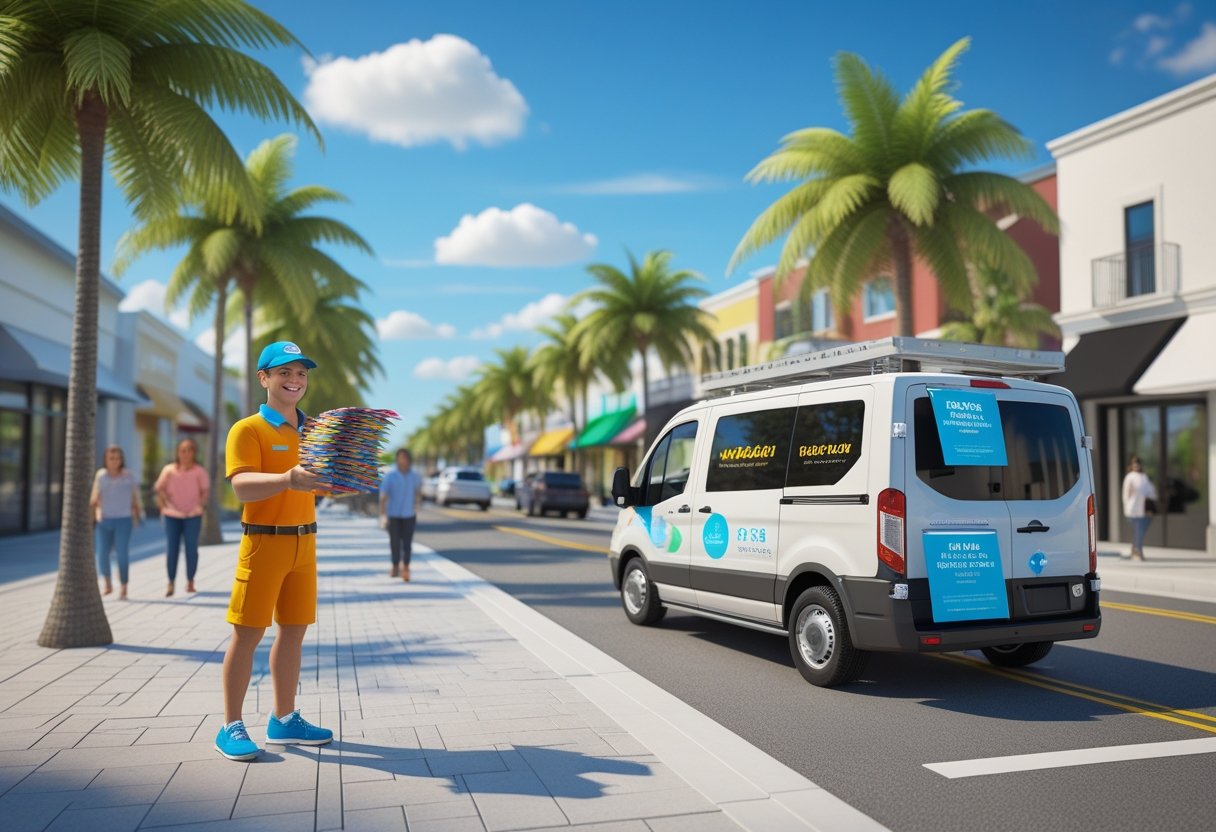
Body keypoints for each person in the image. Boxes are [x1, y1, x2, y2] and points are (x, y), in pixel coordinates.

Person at [215, 341, 332, 762]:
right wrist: (287, 478)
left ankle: (284, 720)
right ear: (264, 378)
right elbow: (241, 486)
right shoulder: (246, 429)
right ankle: (230, 725)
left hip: (305, 543)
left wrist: (337, 480)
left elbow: (316, 483)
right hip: (263, 542)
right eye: (284, 372)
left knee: (295, 631)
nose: (294, 380)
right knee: (247, 634)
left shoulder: (315, 431)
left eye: (301, 373)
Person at [155, 438, 211, 597]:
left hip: (193, 515)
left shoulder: (199, 471)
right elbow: (159, 489)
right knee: (172, 549)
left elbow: (205, 492)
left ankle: (190, 581)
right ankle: (171, 582)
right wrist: (163, 505)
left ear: (194, 453)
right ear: (178, 453)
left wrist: (200, 505)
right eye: (183, 450)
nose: (186, 454)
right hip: (171, 515)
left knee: (191, 549)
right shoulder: (169, 470)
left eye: (189, 450)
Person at [91, 445, 141, 600]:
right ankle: (107, 583)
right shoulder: (101, 475)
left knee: (122, 555)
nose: (114, 461)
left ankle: (124, 586)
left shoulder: (129, 476)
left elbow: (135, 498)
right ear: (105, 460)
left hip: (124, 521)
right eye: (111, 458)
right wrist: (96, 514)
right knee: (102, 555)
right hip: (104, 521)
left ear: (122, 460)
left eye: (117, 458)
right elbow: (94, 498)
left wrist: (136, 516)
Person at [379, 448, 423, 581]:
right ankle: (395, 565)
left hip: (409, 514)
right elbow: (384, 496)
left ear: (409, 460)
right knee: (394, 542)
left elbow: (418, 492)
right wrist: (382, 515)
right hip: (393, 514)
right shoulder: (390, 476)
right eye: (400, 457)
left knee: (407, 544)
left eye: (405, 457)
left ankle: (406, 568)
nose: (403, 460)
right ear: (397, 459)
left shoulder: (414, 476)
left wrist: (417, 505)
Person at [1122, 455, 1158, 561]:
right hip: (1132, 508)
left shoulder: (1144, 477)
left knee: (1140, 529)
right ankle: (1137, 550)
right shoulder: (1129, 477)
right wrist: (1126, 506)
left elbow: (1151, 492)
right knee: (1139, 530)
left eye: (1138, 463)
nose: (1136, 465)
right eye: (1134, 463)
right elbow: (1125, 493)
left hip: (1143, 509)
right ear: (1132, 465)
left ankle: (1136, 549)